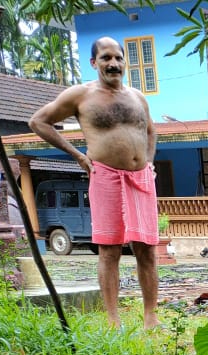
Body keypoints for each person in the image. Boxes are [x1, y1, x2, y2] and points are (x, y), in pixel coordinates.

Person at [29, 37, 160, 329]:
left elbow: (151, 131)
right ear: (94, 62)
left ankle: (151, 316)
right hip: (106, 177)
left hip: (141, 180)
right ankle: (114, 320)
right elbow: (38, 121)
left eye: (117, 58)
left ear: (125, 62)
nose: (113, 64)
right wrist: (77, 155)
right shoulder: (81, 95)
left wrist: (149, 162)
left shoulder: (138, 97)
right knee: (109, 249)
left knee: (147, 248)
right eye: (105, 58)